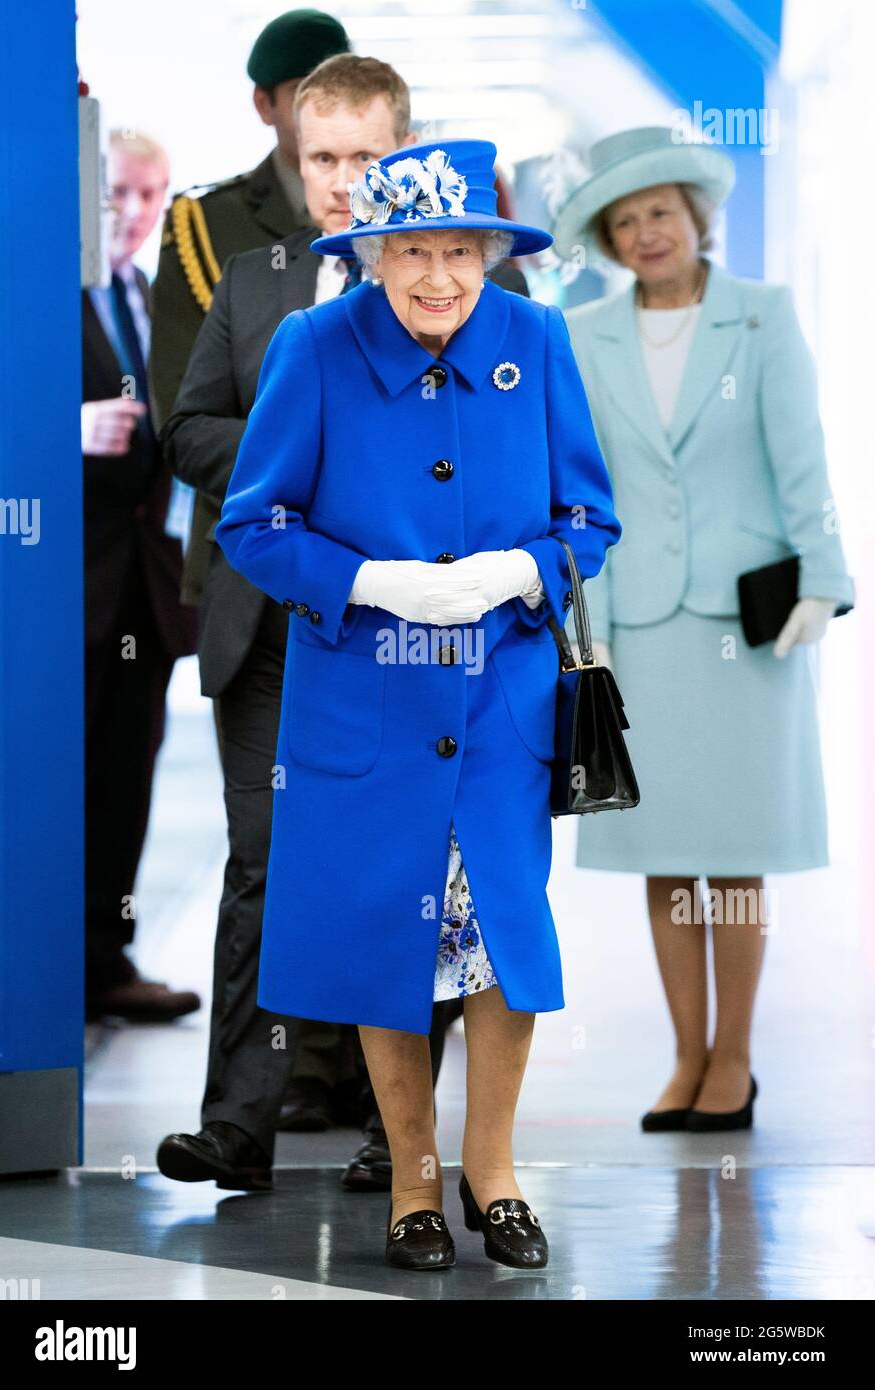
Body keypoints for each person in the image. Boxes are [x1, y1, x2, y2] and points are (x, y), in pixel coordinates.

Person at [214, 138, 621, 1270]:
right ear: (371, 255)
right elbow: (250, 523)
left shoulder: (534, 340)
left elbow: (590, 518)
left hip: (500, 703)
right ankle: (410, 1180)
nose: (438, 276)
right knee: (385, 931)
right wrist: (370, 581)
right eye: (412, 252)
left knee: (501, 942)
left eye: (460, 251)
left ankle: (492, 1173)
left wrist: (517, 571)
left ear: (491, 252)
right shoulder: (313, 345)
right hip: (364, 706)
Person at [156, 56, 531, 1196]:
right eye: (321, 158)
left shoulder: (446, 296)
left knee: (409, 866)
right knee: (262, 867)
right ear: (293, 154)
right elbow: (188, 432)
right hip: (266, 619)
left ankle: (393, 1137)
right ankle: (238, 1127)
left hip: (404, 639)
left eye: (366, 158)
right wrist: (301, 475)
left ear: (403, 156)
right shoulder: (256, 281)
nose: (340, 180)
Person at [552, 126, 855, 1133]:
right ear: (607, 234)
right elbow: (580, 481)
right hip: (635, 623)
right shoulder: (584, 331)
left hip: (748, 627)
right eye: (626, 218)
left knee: (733, 850)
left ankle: (734, 1057)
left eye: (660, 212)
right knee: (662, 852)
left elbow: (798, 454)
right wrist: (570, 611)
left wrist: (824, 578)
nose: (646, 232)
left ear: (695, 217)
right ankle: (683, 1056)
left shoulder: (760, 319)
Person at [148, 8, 351, 609]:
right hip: (248, 565)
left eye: (337, 90)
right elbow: (185, 420)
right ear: (264, 105)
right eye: (302, 93)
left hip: (385, 569)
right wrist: (329, 457)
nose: (323, 110)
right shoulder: (208, 225)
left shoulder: (404, 230)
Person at [82, 130, 200, 1021]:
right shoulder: (28, 294)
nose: (133, 213)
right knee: (49, 779)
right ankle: (38, 973)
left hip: (145, 593)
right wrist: (67, 432)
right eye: (119, 192)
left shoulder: (154, 300)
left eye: (152, 196)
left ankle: (104, 960)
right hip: (58, 588)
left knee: (126, 778)